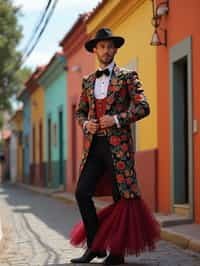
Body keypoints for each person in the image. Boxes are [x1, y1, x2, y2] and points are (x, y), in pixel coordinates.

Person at [70, 28, 160, 265]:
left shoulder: (128, 76)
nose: (107, 50)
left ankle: (117, 254)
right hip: (94, 147)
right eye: (102, 46)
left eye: (110, 46)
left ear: (115, 49)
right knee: (82, 192)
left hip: (118, 148)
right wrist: (85, 123)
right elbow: (79, 112)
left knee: (121, 198)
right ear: (96, 50)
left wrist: (117, 119)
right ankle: (95, 246)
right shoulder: (88, 81)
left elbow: (144, 107)